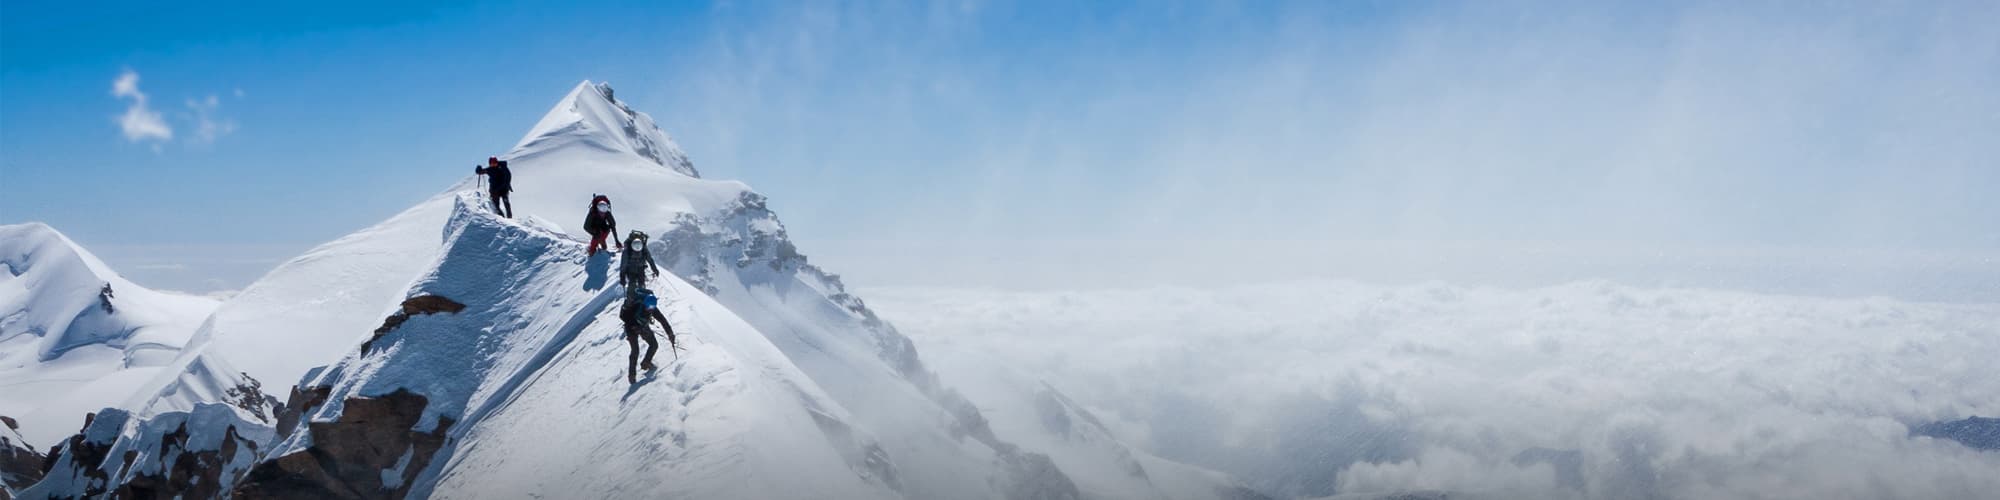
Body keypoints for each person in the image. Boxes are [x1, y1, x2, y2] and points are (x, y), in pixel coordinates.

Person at [620, 286, 678, 383]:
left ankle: (646, 363)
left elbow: (663, 320)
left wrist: (670, 334)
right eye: (649, 308)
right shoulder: (636, 305)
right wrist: (634, 327)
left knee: (654, 345)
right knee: (635, 350)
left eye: (652, 308)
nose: (650, 310)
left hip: (642, 326)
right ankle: (632, 375)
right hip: (631, 327)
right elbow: (623, 316)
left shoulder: (653, 308)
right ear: (645, 304)